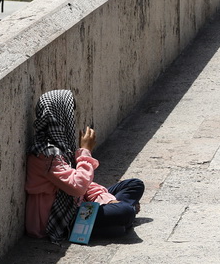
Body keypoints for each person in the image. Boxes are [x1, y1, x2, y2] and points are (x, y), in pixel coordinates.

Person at [25, 90, 145, 242]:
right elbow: (78, 187)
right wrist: (86, 151)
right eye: (69, 114)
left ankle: (119, 222)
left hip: (78, 202)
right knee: (125, 211)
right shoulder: (45, 154)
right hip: (60, 219)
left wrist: (107, 199)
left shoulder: (62, 146)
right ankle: (122, 218)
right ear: (60, 116)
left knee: (134, 185)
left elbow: (86, 186)